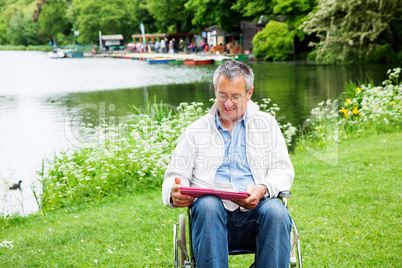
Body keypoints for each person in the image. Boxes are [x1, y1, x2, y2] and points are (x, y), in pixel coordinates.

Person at [162, 60, 294, 268]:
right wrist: (173, 192)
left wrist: (262, 189)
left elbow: (283, 170)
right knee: (207, 203)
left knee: (276, 211)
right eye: (223, 95)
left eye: (235, 97)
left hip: (256, 215)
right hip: (211, 220)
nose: (228, 103)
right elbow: (174, 176)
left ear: (249, 93)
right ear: (215, 90)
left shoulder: (267, 124)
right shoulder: (196, 130)